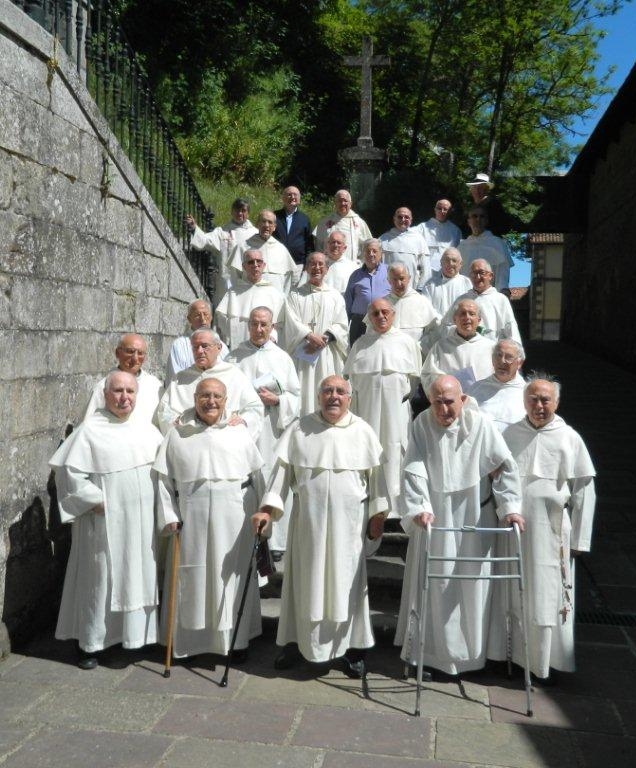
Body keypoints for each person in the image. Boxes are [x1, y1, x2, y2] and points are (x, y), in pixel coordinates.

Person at [252, 375, 389, 677]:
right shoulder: (300, 429)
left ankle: (350, 648)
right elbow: (280, 477)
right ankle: (295, 644)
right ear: (318, 397)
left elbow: (378, 483)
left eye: (340, 391)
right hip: (307, 527)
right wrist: (267, 510)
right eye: (327, 391)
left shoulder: (363, 432)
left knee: (346, 586)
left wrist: (378, 516)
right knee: (305, 583)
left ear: (350, 398)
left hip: (348, 529)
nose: (333, 396)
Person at [394, 375, 523, 675]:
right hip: (435, 516)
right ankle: (434, 655)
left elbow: (503, 469)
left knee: (473, 583)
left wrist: (511, 508)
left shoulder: (480, 425)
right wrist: (419, 508)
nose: (443, 410)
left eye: (449, 402)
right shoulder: (422, 424)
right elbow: (413, 469)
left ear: (462, 400)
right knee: (436, 585)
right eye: (436, 402)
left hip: (474, 517)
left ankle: (473, 656)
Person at [51, 371, 163, 669]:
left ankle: (136, 638)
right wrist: (93, 499)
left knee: (138, 575)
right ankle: (91, 643)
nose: (124, 397)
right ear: (105, 394)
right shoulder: (89, 430)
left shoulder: (148, 431)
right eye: (118, 391)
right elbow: (68, 474)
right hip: (102, 522)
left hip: (141, 524)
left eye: (130, 391)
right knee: (100, 579)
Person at [490, 376, 596, 681]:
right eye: (533, 399)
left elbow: (584, 491)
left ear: (557, 402)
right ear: (524, 401)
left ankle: (547, 661)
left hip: (550, 532)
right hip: (513, 530)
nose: (539, 405)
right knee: (510, 590)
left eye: (545, 400)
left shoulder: (569, 437)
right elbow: (497, 478)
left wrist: (580, 538)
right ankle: (507, 656)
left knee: (546, 594)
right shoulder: (510, 434)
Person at [154, 377, 265, 660]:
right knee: (193, 576)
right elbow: (163, 481)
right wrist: (169, 516)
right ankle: (191, 642)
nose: (211, 402)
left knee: (231, 578)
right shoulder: (178, 434)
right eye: (205, 396)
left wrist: (262, 517)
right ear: (195, 399)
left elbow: (257, 478)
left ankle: (234, 641)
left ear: (226, 401)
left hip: (235, 516)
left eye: (217, 396)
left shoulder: (239, 433)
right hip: (192, 516)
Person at [228, 307, 301, 557]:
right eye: (254, 324)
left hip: (271, 429)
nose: (259, 329)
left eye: (264, 325)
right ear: (248, 325)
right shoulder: (233, 358)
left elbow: (296, 397)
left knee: (271, 477)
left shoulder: (283, 359)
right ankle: (244, 534)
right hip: (243, 430)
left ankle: (275, 542)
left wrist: (278, 400)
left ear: (272, 328)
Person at [344, 298, 422, 516]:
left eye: (385, 312)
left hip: (396, 412)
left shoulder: (407, 343)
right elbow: (351, 382)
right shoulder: (360, 344)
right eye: (375, 313)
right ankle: (369, 504)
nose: (381, 316)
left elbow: (414, 382)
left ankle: (395, 509)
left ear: (393, 314)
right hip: (366, 412)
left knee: (395, 451)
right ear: (369, 318)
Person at [157, 328, 263, 438]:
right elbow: (164, 411)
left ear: (219, 348)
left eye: (204, 346)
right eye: (195, 347)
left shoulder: (235, 375)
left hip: (225, 440)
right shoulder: (180, 378)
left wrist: (244, 421)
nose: (199, 351)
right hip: (189, 441)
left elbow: (254, 408)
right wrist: (173, 424)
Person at [283, 252, 349, 416]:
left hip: (326, 354)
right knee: (304, 391)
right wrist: (308, 335)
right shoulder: (294, 295)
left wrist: (324, 338)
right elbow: (291, 321)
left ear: (327, 269)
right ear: (306, 268)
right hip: (303, 352)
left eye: (321, 264)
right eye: (312, 264)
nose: (317, 268)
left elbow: (341, 324)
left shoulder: (335, 296)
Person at [186, 198, 257, 304]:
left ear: (248, 213)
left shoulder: (255, 233)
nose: (240, 213)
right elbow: (206, 240)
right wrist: (194, 227)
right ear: (232, 211)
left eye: (243, 210)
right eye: (237, 210)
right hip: (228, 279)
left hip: (248, 278)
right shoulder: (222, 232)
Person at [84, 333, 163, 425]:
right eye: (130, 351)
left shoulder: (155, 385)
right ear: (117, 353)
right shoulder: (104, 387)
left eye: (140, 353)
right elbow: (89, 425)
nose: (135, 358)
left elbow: (165, 420)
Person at [215, 249, 285, 349]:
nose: (255, 265)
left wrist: (272, 336)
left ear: (264, 265)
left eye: (259, 261)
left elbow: (280, 322)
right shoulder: (234, 292)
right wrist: (234, 333)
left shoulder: (273, 292)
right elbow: (221, 317)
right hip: (240, 343)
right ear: (244, 267)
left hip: (267, 344)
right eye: (251, 262)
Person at [421, 299, 495, 393]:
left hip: (482, 402)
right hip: (449, 403)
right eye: (462, 313)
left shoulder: (490, 347)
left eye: (471, 314)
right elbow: (427, 375)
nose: (467, 317)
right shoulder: (441, 347)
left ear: (479, 320)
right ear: (455, 319)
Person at [442, 259, 522, 343]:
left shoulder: (500, 300)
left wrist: (515, 352)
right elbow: (447, 325)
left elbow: (511, 329)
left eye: (481, 272)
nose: (478, 277)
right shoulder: (461, 300)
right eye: (474, 273)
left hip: (492, 352)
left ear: (490, 276)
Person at [376, 262, 440, 355]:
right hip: (388, 354)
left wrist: (420, 346)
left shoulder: (421, 301)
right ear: (388, 281)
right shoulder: (382, 303)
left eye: (402, 279)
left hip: (414, 354)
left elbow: (435, 329)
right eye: (394, 279)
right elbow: (372, 330)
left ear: (409, 278)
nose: (399, 283)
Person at [228, 210, 296, 294]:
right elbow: (234, 276)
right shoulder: (243, 246)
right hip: (250, 295)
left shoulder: (281, 249)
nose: (266, 225)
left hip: (275, 298)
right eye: (263, 221)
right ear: (257, 224)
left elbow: (287, 279)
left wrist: (282, 297)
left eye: (270, 222)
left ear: (274, 227)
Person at [467, 339, 526, 432]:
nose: (502, 361)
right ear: (492, 359)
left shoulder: (526, 392)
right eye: (498, 355)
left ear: (519, 363)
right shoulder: (475, 389)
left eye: (509, 357)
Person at [165, 299, 229, 384]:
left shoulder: (221, 346)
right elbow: (175, 379)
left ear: (211, 317)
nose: (203, 319)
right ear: (189, 319)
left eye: (206, 314)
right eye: (197, 315)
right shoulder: (179, 345)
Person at [344, 238, 391, 345]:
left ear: (381, 253)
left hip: (382, 320)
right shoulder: (355, 275)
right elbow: (348, 301)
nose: (371, 254)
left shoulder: (389, 272)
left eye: (374, 251)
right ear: (363, 253)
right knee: (357, 355)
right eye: (368, 251)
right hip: (359, 322)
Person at [459, 207, 513, 293]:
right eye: (474, 216)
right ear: (469, 221)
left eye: (482, 216)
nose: (478, 219)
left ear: (486, 221)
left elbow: (503, 271)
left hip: (490, 295)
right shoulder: (461, 246)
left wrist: (503, 291)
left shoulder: (497, 243)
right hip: (466, 296)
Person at [379, 207, 431, 291]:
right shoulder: (383, 240)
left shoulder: (418, 239)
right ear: (394, 219)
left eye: (406, 217)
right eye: (400, 217)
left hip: (412, 289)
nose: (403, 219)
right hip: (388, 290)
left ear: (411, 219)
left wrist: (420, 288)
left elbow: (426, 268)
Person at [313, 189, 372, 258]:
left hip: (353, 266)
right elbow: (318, 246)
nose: (342, 203)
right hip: (329, 266)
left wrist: (361, 263)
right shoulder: (324, 222)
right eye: (339, 201)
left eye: (345, 201)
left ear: (350, 203)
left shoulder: (359, 223)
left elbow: (368, 245)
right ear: (335, 203)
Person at [274, 186, 313, 283]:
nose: (292, 197)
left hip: (297, 265)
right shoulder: (274, 217)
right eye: (289, 194)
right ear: (283, 198)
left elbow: (309, 245)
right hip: (277, 263)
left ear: (299, 199)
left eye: (295, 195)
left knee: (294, 295)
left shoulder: (304, 219)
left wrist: (307, 265)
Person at [422, 247, 472, 315]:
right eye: (447, 260)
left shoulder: (468, 283)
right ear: (441, 263)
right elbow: (426, 308)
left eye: (454, 260)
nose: (450, 263)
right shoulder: (430, 285)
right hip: (436, 324)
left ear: (461, 264)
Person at [417, 199, 462, 273]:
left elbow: (457, 254)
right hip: (426, 270)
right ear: (435, 210)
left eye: (445, 209)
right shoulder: (422, 228)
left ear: (449, 211)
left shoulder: (455, 230)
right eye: (439, 208)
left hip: (447, 271)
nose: (442, 211)